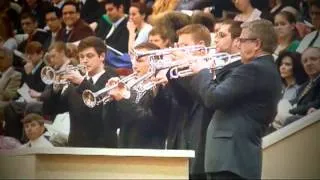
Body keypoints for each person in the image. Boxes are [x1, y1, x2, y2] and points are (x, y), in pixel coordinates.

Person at [188, 19, 282, 179]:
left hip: (231, 159)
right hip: (233, 158)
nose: (238, 45)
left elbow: (213, 98)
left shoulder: (252, 69)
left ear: (257, 44)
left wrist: (203, 71)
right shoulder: (265, 68)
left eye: (243, 40)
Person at [42, 36, 118, 147]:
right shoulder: (74, 83)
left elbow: (103, 111)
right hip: (76, 145)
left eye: (89, 56)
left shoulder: (112, 78)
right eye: (81, 57)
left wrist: (82, 82)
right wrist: (56, 89)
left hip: (102, 147)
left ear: (102, 56)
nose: (84, 60)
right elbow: (50, 110)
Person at [108, 42, 172, 149]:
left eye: (139, 60)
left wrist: (123, 99)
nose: (134, 64)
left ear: (155, 62)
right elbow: (112, 123)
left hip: (150, 153)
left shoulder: (163, 88)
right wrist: (111, 99)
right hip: (124, 149)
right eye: (132, 59)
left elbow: (148, 124)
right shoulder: (128, 86)